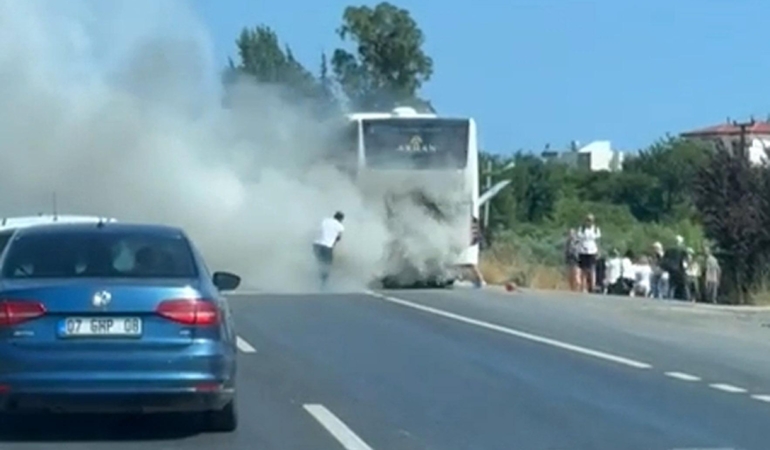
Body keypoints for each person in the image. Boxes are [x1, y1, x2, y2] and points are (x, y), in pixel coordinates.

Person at [312, 211, 345, 288]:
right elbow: (338, 238)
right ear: (341, 219)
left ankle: (315, 280)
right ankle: (323, 284)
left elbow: (317, 229)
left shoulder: (325, 220)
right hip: (327, 247)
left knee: (318, 262)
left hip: (316, 244)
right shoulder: (340, 226)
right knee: (327, 264)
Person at [576, 213, 601, 293]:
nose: (589, 222)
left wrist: (598, 251)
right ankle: (583, 287)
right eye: (587, 220)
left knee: (592, 269)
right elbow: (579, 238)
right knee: (583, 270)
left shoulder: (596, 229)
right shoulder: (582, 229)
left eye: (590, 220)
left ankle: (592, 286)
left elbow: (597, 240)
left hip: (592, 251)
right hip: (583, 251)